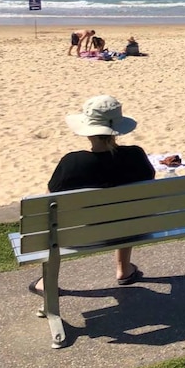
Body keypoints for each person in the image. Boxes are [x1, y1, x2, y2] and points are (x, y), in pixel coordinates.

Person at [30, 96, 155, 295]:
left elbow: (48, 203)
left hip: (79, 236)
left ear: (88, 131)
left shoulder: (73, 163)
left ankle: (47, 282)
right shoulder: (136, 156)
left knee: (53, 225)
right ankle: (123, 269)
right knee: (126, 210)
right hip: (133, 229)